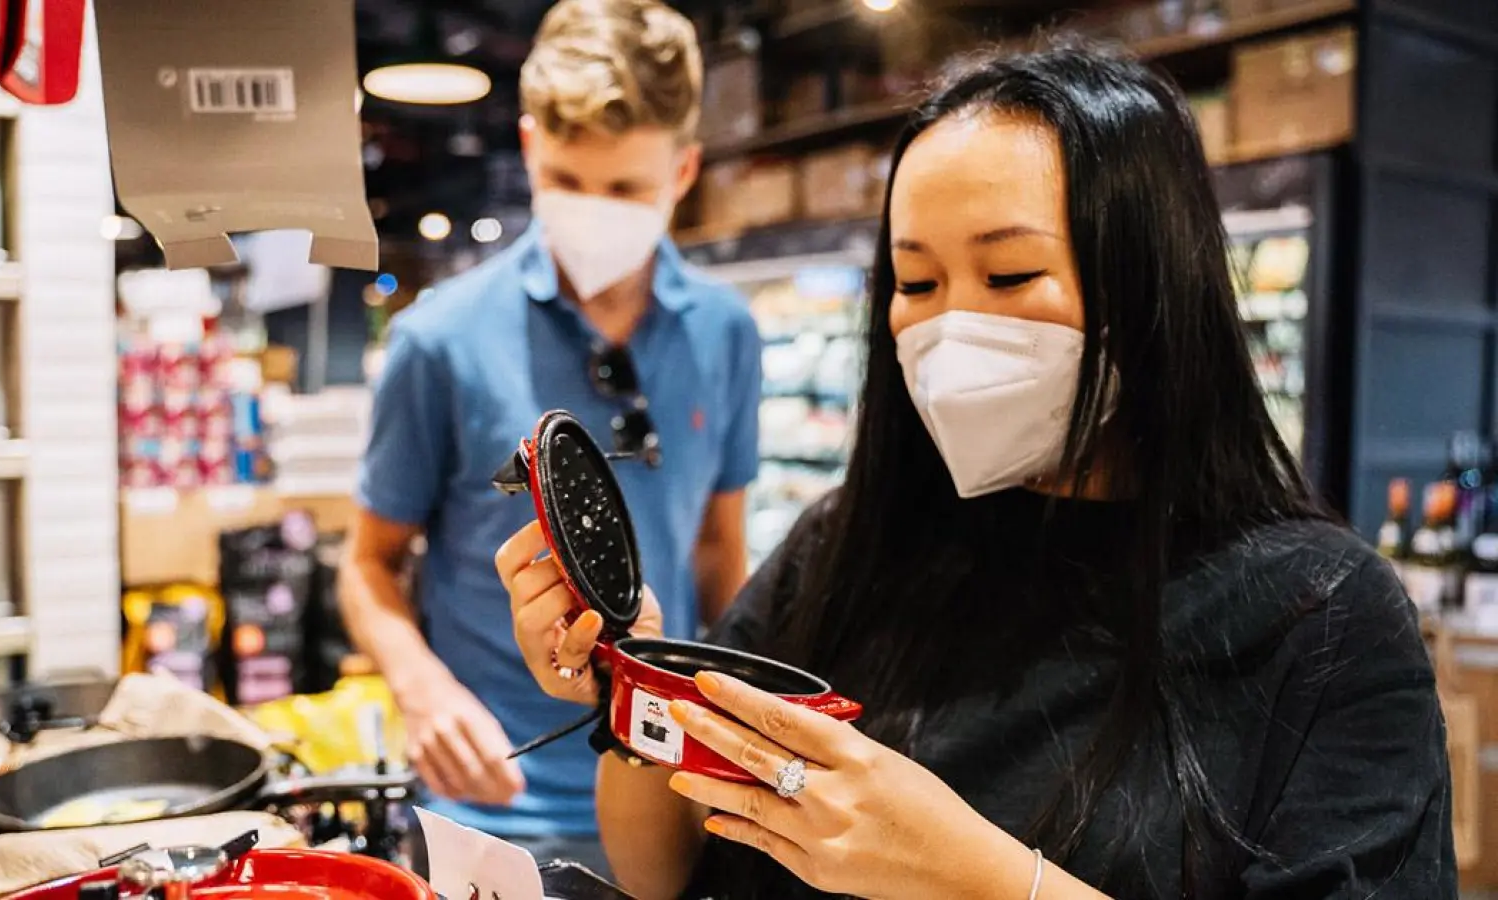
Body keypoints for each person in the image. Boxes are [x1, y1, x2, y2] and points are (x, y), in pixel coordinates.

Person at [498, 41, 1456, 900]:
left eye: (1006, 278)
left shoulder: (1321, 617)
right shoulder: (848, 546)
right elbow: (661, 868)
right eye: (915, 283)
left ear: (1149, 286)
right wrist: (631, 678)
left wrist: (976, 878)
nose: (949, 324)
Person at [342, 0, 761, 872]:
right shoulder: (439, 338)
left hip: (673, 794)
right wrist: (423, 691)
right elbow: (367, 563)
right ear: (531, 148)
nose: (595, 212)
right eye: (570, 181)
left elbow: (720, 554)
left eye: (627, 189)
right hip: (494, 805)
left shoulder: (726, 334)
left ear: (683, 170)